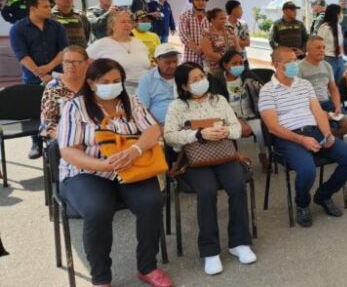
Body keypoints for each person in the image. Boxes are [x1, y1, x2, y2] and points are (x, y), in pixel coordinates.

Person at [57, 58, 173, 287]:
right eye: (105, 81)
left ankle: (147, 267)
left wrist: (135, 149)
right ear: (91, 83)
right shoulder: (76, 107)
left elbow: (153, 129)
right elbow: (68, 151)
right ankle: (101, 278)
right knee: (98, 210)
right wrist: (104, 166)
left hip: (132, 166)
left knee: (152, 202)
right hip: (88, 172)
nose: (112, 85)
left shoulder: (131, 101)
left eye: (116, 80)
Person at [163, 62, 256, 276]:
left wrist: (225, 131)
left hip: (224, 154)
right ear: (184, 87)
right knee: (206, 192)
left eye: (201, 76)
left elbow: (236, 128)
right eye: (194, 80)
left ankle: (239, 242)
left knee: (236, 186)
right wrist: (198, 134)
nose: (200, 82)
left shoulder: (219, 100)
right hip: (196, 159)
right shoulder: (177, 106)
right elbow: (169, 136)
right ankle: (210, 250)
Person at [258, 47, 347, 228]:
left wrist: (327, 133)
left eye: (295, 59)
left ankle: (323, 195)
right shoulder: (267, 91)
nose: (295, 63)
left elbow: (318, 112)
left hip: (314, 131)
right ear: (277, 65)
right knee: (307, 171)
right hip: (288, 138)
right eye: (289, 61)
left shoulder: (304, 85)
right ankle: (302, 203)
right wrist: (301, 140)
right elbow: (273, 127)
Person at [10, 0, 68, 159]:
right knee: (36, 111)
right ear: (33, 8)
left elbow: (63, 50)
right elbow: (22, 56)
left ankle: (59, 141)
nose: (50, 9)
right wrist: (42, 75)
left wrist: (49, 68)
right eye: (45, 6)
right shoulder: (18, 29)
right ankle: (36, 142)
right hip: (33, 79)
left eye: (49, 6)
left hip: (57, 75)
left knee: (59, 109)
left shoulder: (57, 27)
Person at [208, 50, 270, 172]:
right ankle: (235, 158)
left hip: (250, 114)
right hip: (229, 117)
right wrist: (236, 119)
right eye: (234, 63)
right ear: (225, 65)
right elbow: (217, 104)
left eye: (241, 63)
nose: (238, 66)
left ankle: (264, 155)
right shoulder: (217, 79)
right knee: (229, 131)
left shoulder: (247, 75)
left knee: (262, 128)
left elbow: (263, 87)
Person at [298, 37, 347, 138]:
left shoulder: (327, 66)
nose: (322, 50)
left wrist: (337, 106)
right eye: (318, 48)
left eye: (323, 47)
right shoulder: (300, 68)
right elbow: (298, 95)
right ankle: (325, 139)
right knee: (321, 126)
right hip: (309, 106)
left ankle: (328, 139)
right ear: (308, 50)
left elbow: (333, 89)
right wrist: (319, 112)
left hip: (327, 103)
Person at [87, 10, 151, 88]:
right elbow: (85, 62)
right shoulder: (101, 44)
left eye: (129, 22)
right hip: (118, 90)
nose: (127, 24)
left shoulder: (139, 42)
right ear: (112, 25)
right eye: (123, 22)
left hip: (146, 88)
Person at [39, 46, 88, 144]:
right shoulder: (53, 87)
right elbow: (48, 123)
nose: (71, 66)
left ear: (86, 63)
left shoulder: (93, 84)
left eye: (76, 62)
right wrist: (66, 138)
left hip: (91, 133)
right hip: (63, 135)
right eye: (67, 62)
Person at [136, 44, 181, 124]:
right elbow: (142, 108)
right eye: (167, 62)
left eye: (175, 61)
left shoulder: (184, 74)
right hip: (159, 125)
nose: (173, 65)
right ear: (157, 61)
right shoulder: (147, 79)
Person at [201, 8, 241, 76]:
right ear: (212, 20)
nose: (224, 21)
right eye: (221, 19)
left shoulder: (230, 30)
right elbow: (208, 53)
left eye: (225, 18)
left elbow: (237, 48)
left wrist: (235, 60)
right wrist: (227, 60)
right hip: (215, 69)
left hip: (232, 67)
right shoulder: (207, 33)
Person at [178, 0, 210, 65]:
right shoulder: (184, 16)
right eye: (197, 0)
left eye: (203, 0)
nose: (201, 2)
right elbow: (184, 36)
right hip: (190, 58)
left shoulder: (211, 16)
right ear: (192, 1)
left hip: (209, 59)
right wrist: (200, 51)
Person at [315, 4, 346, 81]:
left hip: (339, 58)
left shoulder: (338, 26)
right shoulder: (324, 28)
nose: (341, 15)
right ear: (336, 14)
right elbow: (318, 44)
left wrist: (342, 55)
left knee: (340, 82)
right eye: (340, 13)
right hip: (328, 58)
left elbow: (340, 43)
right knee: (329, 82)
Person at [226, 0, 251, 70]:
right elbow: (224, 43)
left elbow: (247, 43)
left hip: (242, 58)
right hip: (228, 60)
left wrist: (235, 40)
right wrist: (239, 41)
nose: (242, 11)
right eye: (240, 9)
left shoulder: (243, 24)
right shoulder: (223, 25)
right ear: (233, 10)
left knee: (247, 78)